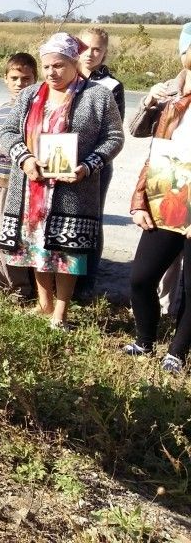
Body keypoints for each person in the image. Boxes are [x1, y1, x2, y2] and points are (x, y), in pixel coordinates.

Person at [0, 33, 124, 329]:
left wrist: (88, 166)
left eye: (58, 66)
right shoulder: (31, 95)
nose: (51, 72)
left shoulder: (97, 96)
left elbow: (114, 137)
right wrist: (25, 159)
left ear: (73, 63)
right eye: (46, 66)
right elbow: (8, 131)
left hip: (74, 189)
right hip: (33, 187)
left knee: (68, 250)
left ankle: (61, 312)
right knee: (37, 246)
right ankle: (44, 304)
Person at [125, 25, 191, 373]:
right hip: (167, 196)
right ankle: (145, 340)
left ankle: (177, 352)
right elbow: (143, 140)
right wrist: (140, 200)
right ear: (183, 52)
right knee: (141, 277)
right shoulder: (168, 94)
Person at [0, 52, 37, 295]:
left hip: (16, 184)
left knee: (12, 235)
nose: (19, 84)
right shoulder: (3, 109)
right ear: (5, 78)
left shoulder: (35, 112)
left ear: (35, 80)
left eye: (26, 79)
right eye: (14, 78)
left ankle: (19, 287)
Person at [75, 26, 125, 297]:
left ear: (104, 53)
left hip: (96, 165)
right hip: (61, 161)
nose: (90, 54)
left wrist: (90, 162)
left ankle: (87, 282)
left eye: (97, 49)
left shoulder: (112, 86)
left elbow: (112, 133)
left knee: (91, 220)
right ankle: (62, 277)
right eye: (85, 47)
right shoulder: (64, 74)